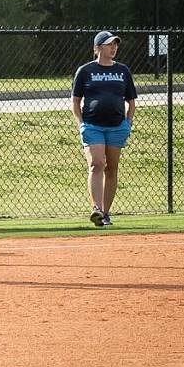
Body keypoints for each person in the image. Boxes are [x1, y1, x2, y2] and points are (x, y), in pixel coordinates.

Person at [71, 31, 137, 227]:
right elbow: (75, 102)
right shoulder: (85, 71)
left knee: (112, 168)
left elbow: (131, 101)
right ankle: (96, 209)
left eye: (115, 44)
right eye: (109, 44)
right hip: (92, 126)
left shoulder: (123, 71)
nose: (114, 47)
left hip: (117, 127)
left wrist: (128, 123)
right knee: (97, 163)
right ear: (98, 48)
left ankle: (106, 214)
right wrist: (81, 124)